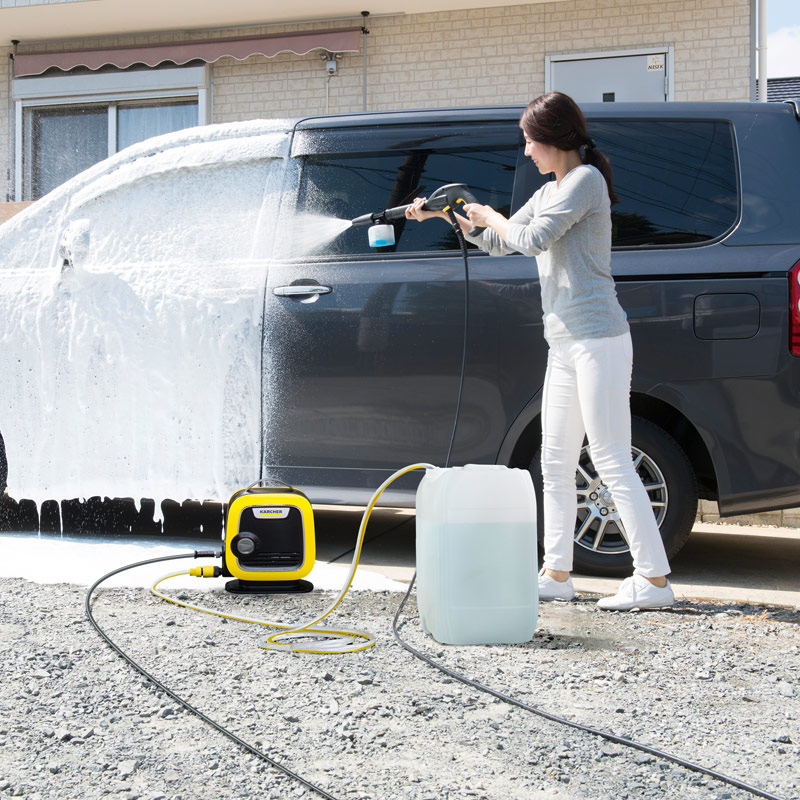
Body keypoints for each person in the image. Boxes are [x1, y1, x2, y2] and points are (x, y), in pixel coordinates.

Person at [405, 91, 674, 611]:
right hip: (565, 342)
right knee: (555, 460)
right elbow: (501, 242)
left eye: (531, 141)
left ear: (555, 138)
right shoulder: (549, 189)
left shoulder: (585, 182)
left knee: (610, 457)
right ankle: (555, 574)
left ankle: (654, 581)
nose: (527, 151)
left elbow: (531, 239)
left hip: (599, 339)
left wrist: (489, 213)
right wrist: (448, 218)